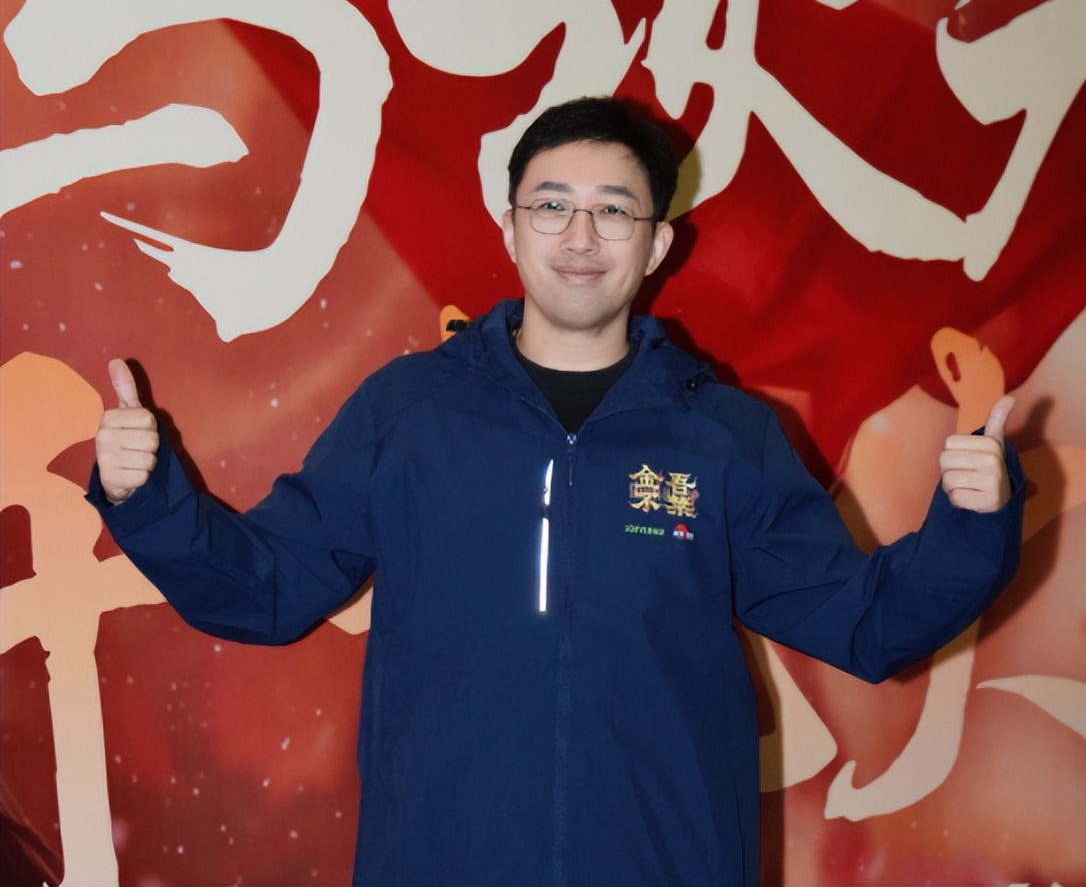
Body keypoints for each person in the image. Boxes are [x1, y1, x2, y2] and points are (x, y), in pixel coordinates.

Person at [89, 96, 1024, 886]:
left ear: (657, 244)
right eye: (551, 206)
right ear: (509, 228)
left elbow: (863, 624)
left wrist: (969, 526)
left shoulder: (726, 438)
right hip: (443, 861)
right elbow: (267, 588)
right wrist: (147, 498)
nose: (581, 237)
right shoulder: (409, 413)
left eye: (614, 211)